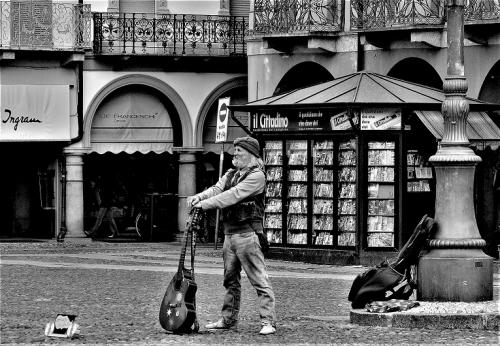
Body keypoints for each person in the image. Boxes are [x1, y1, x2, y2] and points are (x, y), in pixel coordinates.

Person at [187, 136, 276, 335]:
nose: (234, 154)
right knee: (230, 280)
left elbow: (233, 195)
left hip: (248, 235)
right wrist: (199, 197)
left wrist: (204, 204)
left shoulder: (257, 176)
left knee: (259, 280)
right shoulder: (231, 173)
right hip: (230, 235)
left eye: (239, 151)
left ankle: (268, 322)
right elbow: (217, 189)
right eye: (234, 150)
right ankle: (228, 320)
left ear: (251, 155)